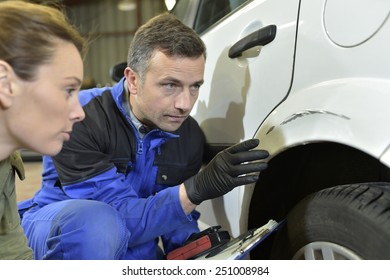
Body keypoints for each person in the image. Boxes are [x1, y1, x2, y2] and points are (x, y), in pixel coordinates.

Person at [18, 12, 269, 260]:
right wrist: (194, 190)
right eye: (170, 85)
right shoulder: (81, 116)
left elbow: (172, 223)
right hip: (62, 232)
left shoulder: (188, 134)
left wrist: (193, 245)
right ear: (133, 80)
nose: (185, 104)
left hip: (134, 247)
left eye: (194, 86)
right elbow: (119, 218)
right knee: (96, 224)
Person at [0, 1, 87, 259]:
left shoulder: (5, 160)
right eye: (68, 90)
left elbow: (10, 251)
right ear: (5, 84)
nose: (79, 112)